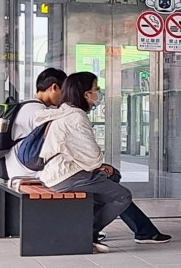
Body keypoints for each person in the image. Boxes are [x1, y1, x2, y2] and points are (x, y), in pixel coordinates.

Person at [36, 72, 171, 252]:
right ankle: (86, 232)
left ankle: (136, 230)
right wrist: (99, 164)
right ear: (85, 94)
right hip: (67, 175)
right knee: (122, 195)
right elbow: (93, 157)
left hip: (53, 173)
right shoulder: (77, 116)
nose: (98, 94)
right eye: (95, 90)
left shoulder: (62, 113)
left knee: (111, 179)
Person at [2, 67, 66, 181]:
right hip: (29, 174)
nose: (64, 97)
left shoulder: (24, 105)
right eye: (64, 92)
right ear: (54, 87)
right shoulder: (41, 113)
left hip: (14, 170)